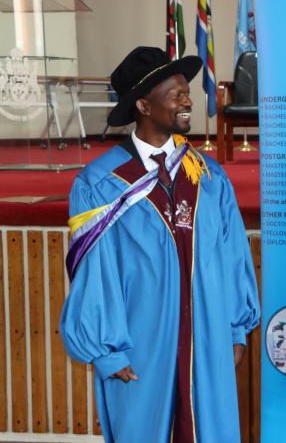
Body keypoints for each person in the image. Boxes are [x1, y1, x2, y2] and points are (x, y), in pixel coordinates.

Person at [60, 46, 260, 443]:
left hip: (206, 337)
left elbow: (231, 252)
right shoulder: (100, 183)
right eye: (177, 94)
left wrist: (235, 328)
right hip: (141, 342)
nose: (189, 101)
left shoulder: (207, 174)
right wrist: (107, 349)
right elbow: (95, 273)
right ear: (143, 105)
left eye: (187, 92)